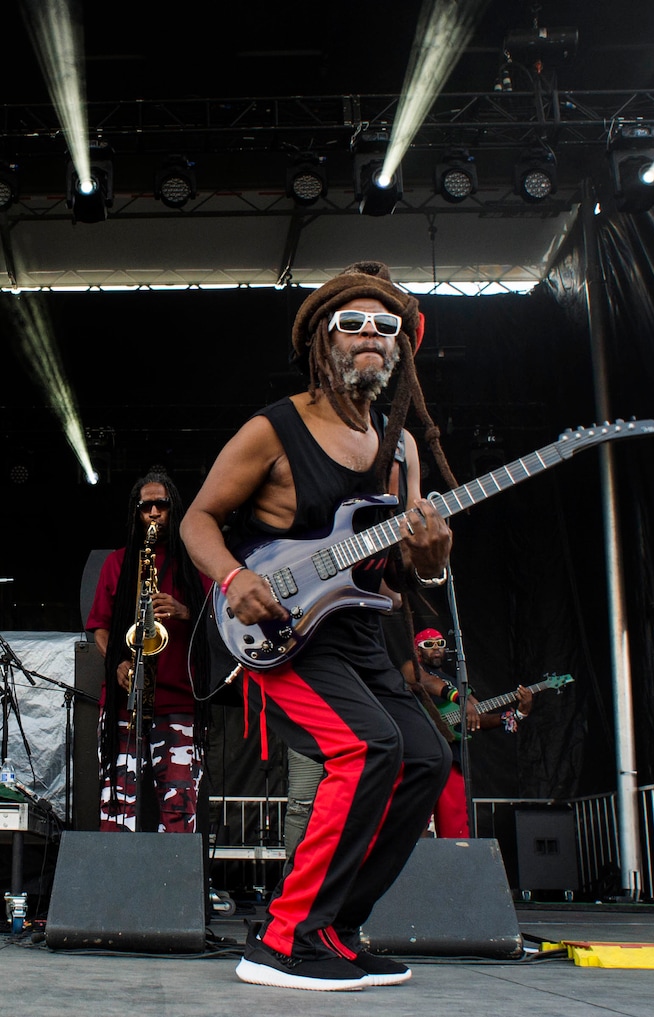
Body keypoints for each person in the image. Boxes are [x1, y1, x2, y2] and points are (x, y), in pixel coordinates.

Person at [180, 260, 457, 992]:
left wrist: (429, 563)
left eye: (385, 325)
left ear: (401, 347)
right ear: (324, 341)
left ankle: (335, 926)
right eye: (353, 322)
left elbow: (404, 566)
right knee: (367, 745)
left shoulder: (400, 450)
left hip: (360, 633)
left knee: (425, 755)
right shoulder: (274, 428)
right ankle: (281, 937)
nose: (370, 333)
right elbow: (197, 519)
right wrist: (235, 578)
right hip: (283, 631)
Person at [86, 470, 210, 833]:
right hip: (124, 704)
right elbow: (100, 627)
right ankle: (115, 887)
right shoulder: (117, 563)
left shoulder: (194, 563)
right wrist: (118, 663)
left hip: (180, 703)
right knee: (117, 808)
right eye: (146, 507)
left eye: (162, 505)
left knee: (179, 808)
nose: (154, 513)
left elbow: (223, 622)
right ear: (136, 513)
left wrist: (186, 611)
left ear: (174, 509)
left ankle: (173, 889)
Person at [402, 627, 533, 838]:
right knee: (417, 821)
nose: (436, 648)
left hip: (452, 758)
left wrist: (518, 714)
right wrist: (459, 699)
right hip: (420, 754)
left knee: (455, 827)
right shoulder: (412, 668)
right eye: (429, 644)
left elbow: (478, 717)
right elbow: (425, 681)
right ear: (417, 650)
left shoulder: (457, 682)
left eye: (440, 643)